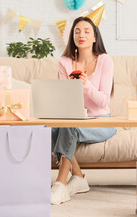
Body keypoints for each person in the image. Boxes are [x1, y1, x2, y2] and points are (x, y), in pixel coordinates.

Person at [51, 16, 117, 205]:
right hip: (74, 118)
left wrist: (86, 86)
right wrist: (70, 91)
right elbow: (65, 101)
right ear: (72, 36)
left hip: (102, 121)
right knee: (50, 129)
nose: (81, 35)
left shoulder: (105, 60)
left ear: (95, 37)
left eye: (87, 31)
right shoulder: (64, 62)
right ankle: (78, 177)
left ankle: (60, 184)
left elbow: (103, 100)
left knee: (67, 127)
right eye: (77, 31)